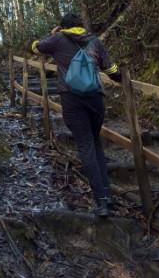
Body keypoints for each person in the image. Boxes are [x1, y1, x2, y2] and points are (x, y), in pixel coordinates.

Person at [32, 13, 121, 218]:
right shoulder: (94, 41)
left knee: (86, 146)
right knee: (96, 144)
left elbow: (36, 47)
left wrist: (52, 33)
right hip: (95, 98)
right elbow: (111, 69)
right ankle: (107, 197)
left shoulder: (58, 39)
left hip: (72, 98)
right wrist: (121, 77)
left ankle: (101, 203)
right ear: (80, 26)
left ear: (63, 27)